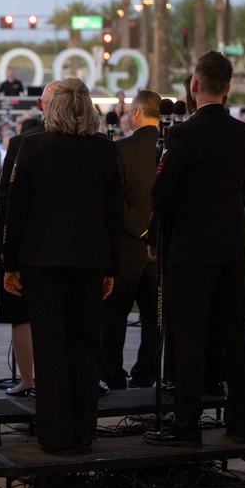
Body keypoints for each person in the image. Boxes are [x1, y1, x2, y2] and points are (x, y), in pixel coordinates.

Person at [3, 78, 123, 455]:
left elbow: (15, 210)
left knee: (50, 345)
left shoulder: (33, 147)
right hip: (89, 260)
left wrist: (9, 263)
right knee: (85, 345)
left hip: (42, 261)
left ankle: (54, 434)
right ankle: (84, 430)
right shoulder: (104, 151)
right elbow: (113, 215)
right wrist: (111, 268)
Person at [144, 51, 245, 448]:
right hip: (231, 243)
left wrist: (163, 233)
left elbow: (164, 193)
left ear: (194, 85)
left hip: (191, 248)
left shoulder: (183, 135)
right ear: (227, 88)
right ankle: (240, 419)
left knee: (189, 337)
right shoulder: (244, 134)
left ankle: (187, 423)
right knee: (235, 334)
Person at [0, 83, 60, 400]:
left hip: (30, 246)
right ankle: (43, 381)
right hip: (66, 247)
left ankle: (29, 380)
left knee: (23, 315)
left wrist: (5, 252)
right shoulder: (94, 142)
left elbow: (7, 201)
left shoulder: (22, 143)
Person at [99, 89, 161, 391]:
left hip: (126, 246)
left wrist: (142, 229)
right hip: (160, 249)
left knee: (114, 316)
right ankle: (146, 374)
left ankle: (112, 374)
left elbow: (115, 202)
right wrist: (157, 231)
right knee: (155, 317)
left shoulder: (119, 149)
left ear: (136, 113)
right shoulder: (171, 148)